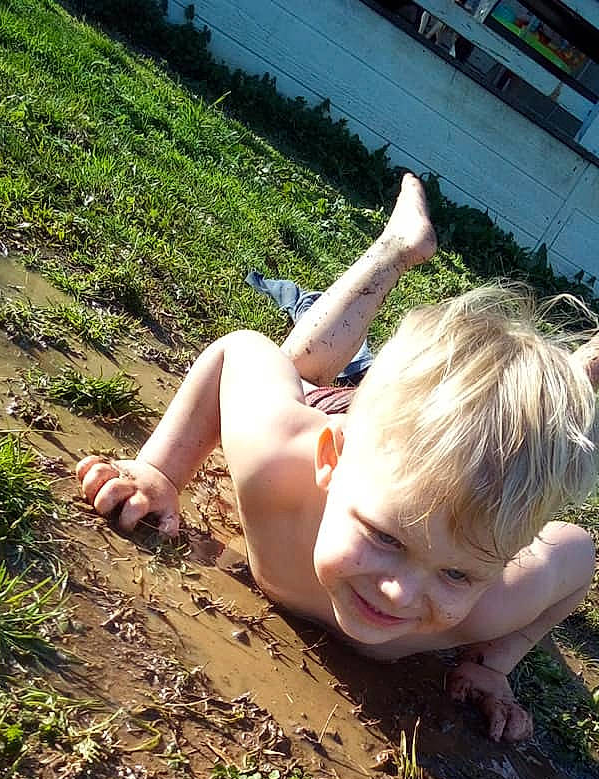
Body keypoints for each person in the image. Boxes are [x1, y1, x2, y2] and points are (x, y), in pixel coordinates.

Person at [76, 175, 599, 743]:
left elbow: (578, 559)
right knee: (300, 363)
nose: (398, 591)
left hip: (414, 460)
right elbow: (241, 351)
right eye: (385, 538)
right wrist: (160, 470)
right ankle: (397, 248)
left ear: (509, 557)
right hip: (338, 411)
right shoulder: (279, 460)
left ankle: (575, 376)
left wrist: (496, 663)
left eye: (456, 573)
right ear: (331, 461)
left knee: (537, 430)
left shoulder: (494, 600)